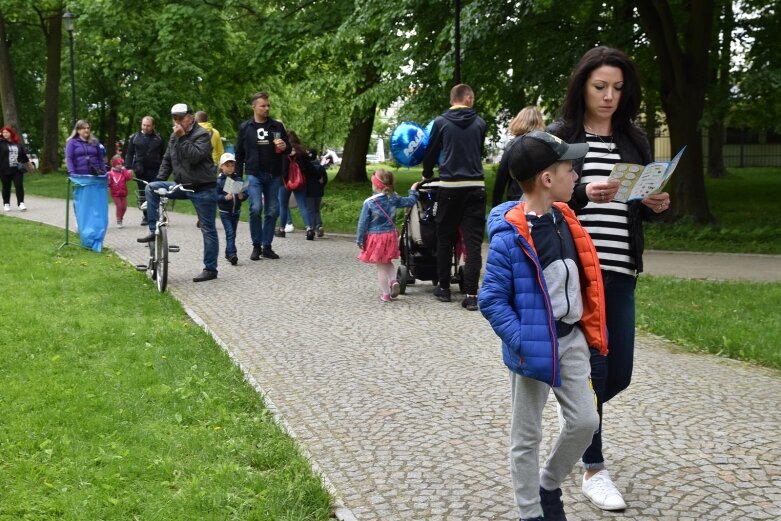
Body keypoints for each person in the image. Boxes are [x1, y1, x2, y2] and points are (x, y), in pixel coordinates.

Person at [547, 46, 670, 511]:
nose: (609, 96)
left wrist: (653, 204)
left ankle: (577, 411)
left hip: (620, 271)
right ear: (582, 86)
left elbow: (637, 204)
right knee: (596, 370)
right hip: (574, 273)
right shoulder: (561, 138)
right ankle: (594, 469)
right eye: (600, 86)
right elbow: (538, 195)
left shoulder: (633, 140)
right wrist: (581, 192)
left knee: (619, 373)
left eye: (618, 88)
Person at [478, 131, 605, 521]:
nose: (576, 175)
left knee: (586, 421)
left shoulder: (564, 217)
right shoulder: (510, 235)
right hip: (532, 348)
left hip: (571, 341)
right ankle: (531, 512)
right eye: (570, 168)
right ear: (547, 179)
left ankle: (548, 483)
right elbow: (491, 299)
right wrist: (524, 342)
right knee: (526, 436)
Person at [421, 83, 487, 311]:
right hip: (476, 187)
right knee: (473, 243)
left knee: (445, 237)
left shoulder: (441, 122)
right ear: (467, 98)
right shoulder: (480, 123)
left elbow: (431, 151)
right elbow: (478, 151)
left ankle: (444, 288)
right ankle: (471, 294)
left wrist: (427, 173)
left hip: (449, 186)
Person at [137, 103, 219, 283]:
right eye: (174, 118)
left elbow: (195, 157)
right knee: (151, 188)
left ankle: (210, 269)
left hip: (203, 187)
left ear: (190, 117)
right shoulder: (175, 137)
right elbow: (167, 160)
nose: (177, 121)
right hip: (182, 185)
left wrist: (182, 138)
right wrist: (158, 182)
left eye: (180, 118)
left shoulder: (202, 135)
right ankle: (153, 231)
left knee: (208, 229)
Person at [235, 92, 289, 260]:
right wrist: (236, 183)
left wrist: (284, 146)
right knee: (256, 208)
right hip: (254, 175)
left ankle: (267, 246)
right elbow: (239, 155)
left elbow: (287, 150)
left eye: (268, 105)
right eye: (263, 106)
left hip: (273, 174)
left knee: (272, 211)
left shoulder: (276, 127)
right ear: (254, 107)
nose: (266, 108)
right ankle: (256, 246)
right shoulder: (245, 127)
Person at [356, 170, 419, 302]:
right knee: (388, 261)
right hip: (390, 236)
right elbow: (410, 201)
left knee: (380, 265)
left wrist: (360, 239)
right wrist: (413, 190)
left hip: (376, 237)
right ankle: (394, 281)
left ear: (376, 185)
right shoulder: (394, 198)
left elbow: (363, 223)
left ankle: (386, 294)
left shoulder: (369, 202)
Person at [491, 106, 545, 207]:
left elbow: (501, 179)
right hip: (540, 199)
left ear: (519, 121)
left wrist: (495, 207)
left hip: (516, 199)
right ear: (539, 122)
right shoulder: (544, 144)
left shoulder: (512, 145)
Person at [125, 116, 165, 226]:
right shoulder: (134, 138)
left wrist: (164, 169)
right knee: (143, 194)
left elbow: (164, 155)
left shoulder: (159, 138)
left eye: (148, 125)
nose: (145, 127)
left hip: (155, 170)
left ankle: (157, 215)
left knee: (155, 193)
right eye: (143, 125)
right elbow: (129, 153)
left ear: (153, 126)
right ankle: (146, 216)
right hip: (140, 170)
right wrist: (128, 168)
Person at [276, 130, 313, 239]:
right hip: (300, 182)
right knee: (303, 206)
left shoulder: (283, 151)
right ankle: (309, 229)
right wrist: (317, 176)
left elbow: (279, 167)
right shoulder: (301, 151)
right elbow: (309, 167)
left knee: (283, 206)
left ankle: (282, 229)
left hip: (284, 182)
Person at [216, 152, 245, 266]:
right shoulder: (219, 181)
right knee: (230, 232)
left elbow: (244, 193)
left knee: (232, 233)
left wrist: (242, 196)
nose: (230, 168)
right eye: (227, 165)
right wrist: (224, 197)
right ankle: (233, 254)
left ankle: (228, 253)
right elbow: (215, 196)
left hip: (236, 211)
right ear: (221, 166)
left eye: (232, 165)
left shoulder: (237, 179)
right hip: (225, 212)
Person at [0, 126, 34, 212]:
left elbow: (24, 156)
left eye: (7, 132)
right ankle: (6, 204)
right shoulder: (1, 143)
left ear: (11, 133)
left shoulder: (18, 144)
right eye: (3, 132)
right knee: (6, 187)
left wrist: (29, 166)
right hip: (4, 169)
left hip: (17, 169)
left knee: (19, 186)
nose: (5, 134)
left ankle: (21, 203)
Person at [305, 148, 328, 238]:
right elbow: (325, 180)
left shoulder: (307, 167)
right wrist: (321, 187)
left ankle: (312, 228)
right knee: (317, 209)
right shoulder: (321, 167)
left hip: (309, 192)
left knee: (310, 210)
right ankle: (319, 225)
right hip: (319, 192)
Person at [107, 155, 133, 227]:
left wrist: (127, 171)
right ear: (114, 164)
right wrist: (107, 187)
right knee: (119, 206)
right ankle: (118, 221)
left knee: (124, 207)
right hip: (115, 194)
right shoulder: (110, 173)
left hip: (123, 193)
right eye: (118, 164)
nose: (120, 166)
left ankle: (121, 218)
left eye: (121, 164)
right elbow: (109, 183)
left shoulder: (123, 172)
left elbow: (128, 178)